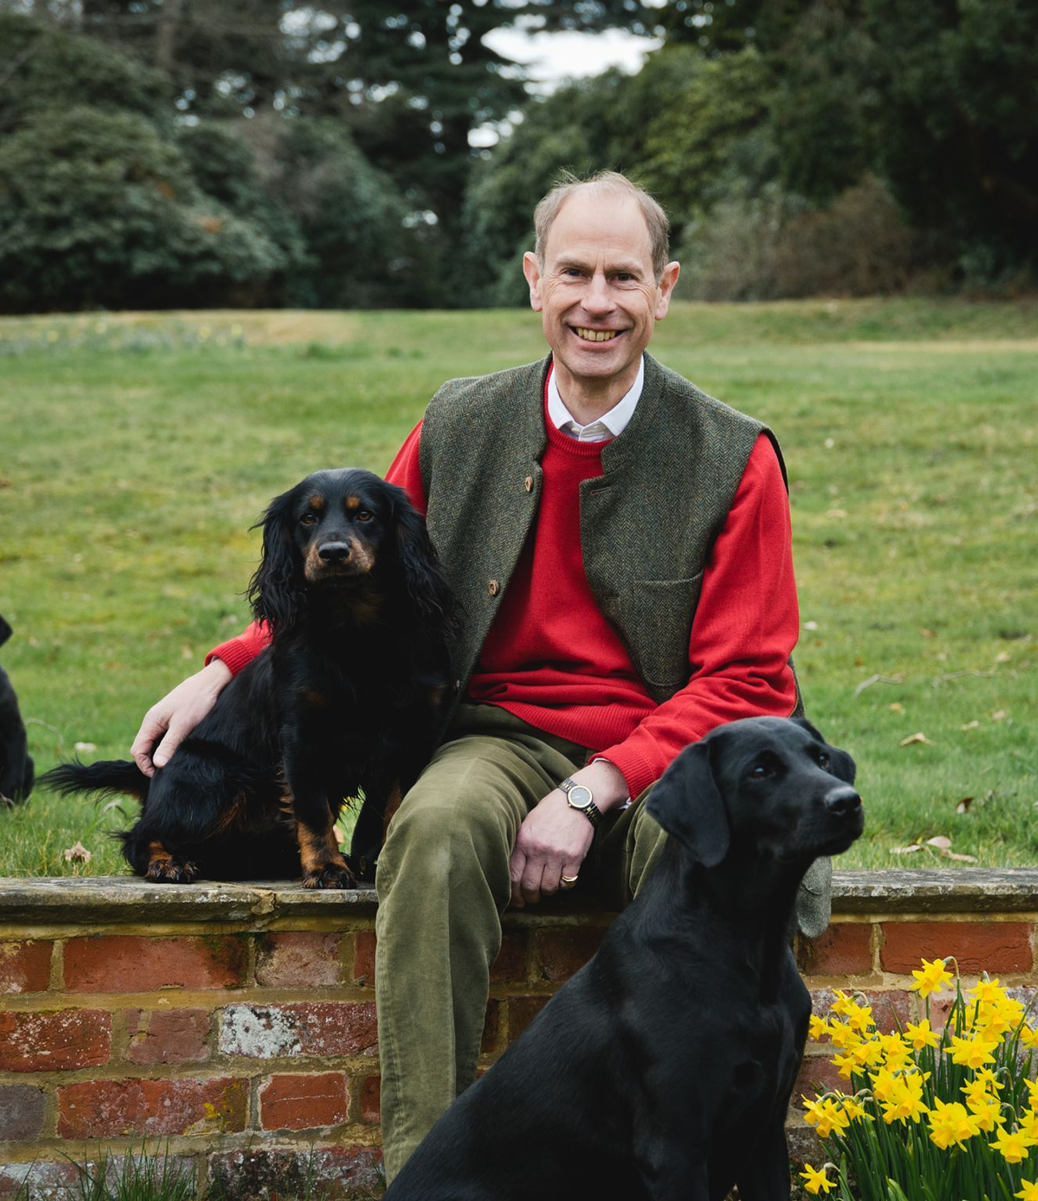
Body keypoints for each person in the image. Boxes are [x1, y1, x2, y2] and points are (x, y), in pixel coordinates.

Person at [131, 171, 819, 1180]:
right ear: (534, 281)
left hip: (674, 749)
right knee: (435, 834)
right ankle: (431, 1171)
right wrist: (223, 667)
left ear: (663, 290)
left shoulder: (732, 454)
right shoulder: (461, 420)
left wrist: (592, 790)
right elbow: (354, 572)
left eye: (622, 276)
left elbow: (751, 679)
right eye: (574, 272)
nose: (597, 300)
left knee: (713, 871)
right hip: (493, 733)